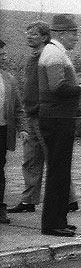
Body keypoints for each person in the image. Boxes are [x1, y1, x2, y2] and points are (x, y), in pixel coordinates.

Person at [7, 21, 79, 215]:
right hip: (31, 114)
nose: (29, 36)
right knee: (30, 160)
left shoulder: (47, 56)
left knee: (53, 160)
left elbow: (52, 87)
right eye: (27, 33)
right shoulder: (32, 58)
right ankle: (29, 200)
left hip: (44, 115)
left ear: (45, 37)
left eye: (34, 34)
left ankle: (69, 199)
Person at [37, 14, 81, 237]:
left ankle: (59, 219)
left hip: (59, 118)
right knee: (58, 173)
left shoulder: (56, 52)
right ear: (60, 33)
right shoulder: (54, 53)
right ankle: (52, 224)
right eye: (73, 33)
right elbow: (57, 88)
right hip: (57, 119)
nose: (76, 37)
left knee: (60, 172)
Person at [0, 38, 29, 224]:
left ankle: (0, 209)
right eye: (0, 54)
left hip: (2, 131)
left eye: (3, 53)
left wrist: (23, 128)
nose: (3, 56)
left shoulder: (8, 80)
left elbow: (18, 108)